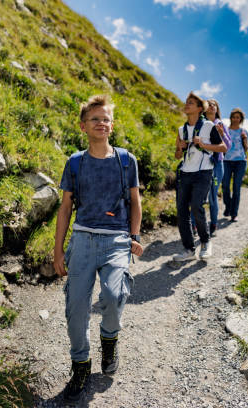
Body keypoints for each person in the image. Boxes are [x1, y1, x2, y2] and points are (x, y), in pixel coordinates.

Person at [53, 94, 144, 403]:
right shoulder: (75, 162)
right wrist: (58, 251)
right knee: (75, 308)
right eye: (95, 119)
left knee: (115, 294)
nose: (102, 123)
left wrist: (135, 237)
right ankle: (80, 364)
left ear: (112, 124)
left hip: (117, 240)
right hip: (81, 240)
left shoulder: (126, 160)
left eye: (106, 118)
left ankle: (109, 339)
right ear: (83, 126)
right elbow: (65, 208)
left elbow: (135, 202)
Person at [173, 92, 227, 261]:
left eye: (190, 103)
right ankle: (189, 250)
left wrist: (203, 144)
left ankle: (205, 241)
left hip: (204, 171)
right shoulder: (181, 130)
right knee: (182, 211)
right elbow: (176, 155)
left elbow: (223, 147)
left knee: (197, 206)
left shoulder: (209, 126)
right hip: (185, 173)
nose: (186, 104)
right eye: (186, 102)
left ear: (198, 108)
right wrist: (180, 148)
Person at [190, 99, 231, 236]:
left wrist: (222, 134)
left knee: (213, 195)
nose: (212, 106)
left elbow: (228, 146)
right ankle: (194, 225)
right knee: (198, 195)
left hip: (217, 164)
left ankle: (213, 223)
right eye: (210, 104)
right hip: (199, 164)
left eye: (215, 105)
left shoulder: (220, 124)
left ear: (217, 109)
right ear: (205, 108)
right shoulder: (199, 123)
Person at [222, 107, 248, 222]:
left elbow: (246, 149)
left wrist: (245, 139)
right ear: (231, 118)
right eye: (234, 117)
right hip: (226, 161)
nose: (235, 119)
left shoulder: (244, 132)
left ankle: (234, 213)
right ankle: (228, 206)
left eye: (238, 117)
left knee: (236, 188)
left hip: (240, 162)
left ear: (241, 119)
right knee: (225, 186)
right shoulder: (226, 130)